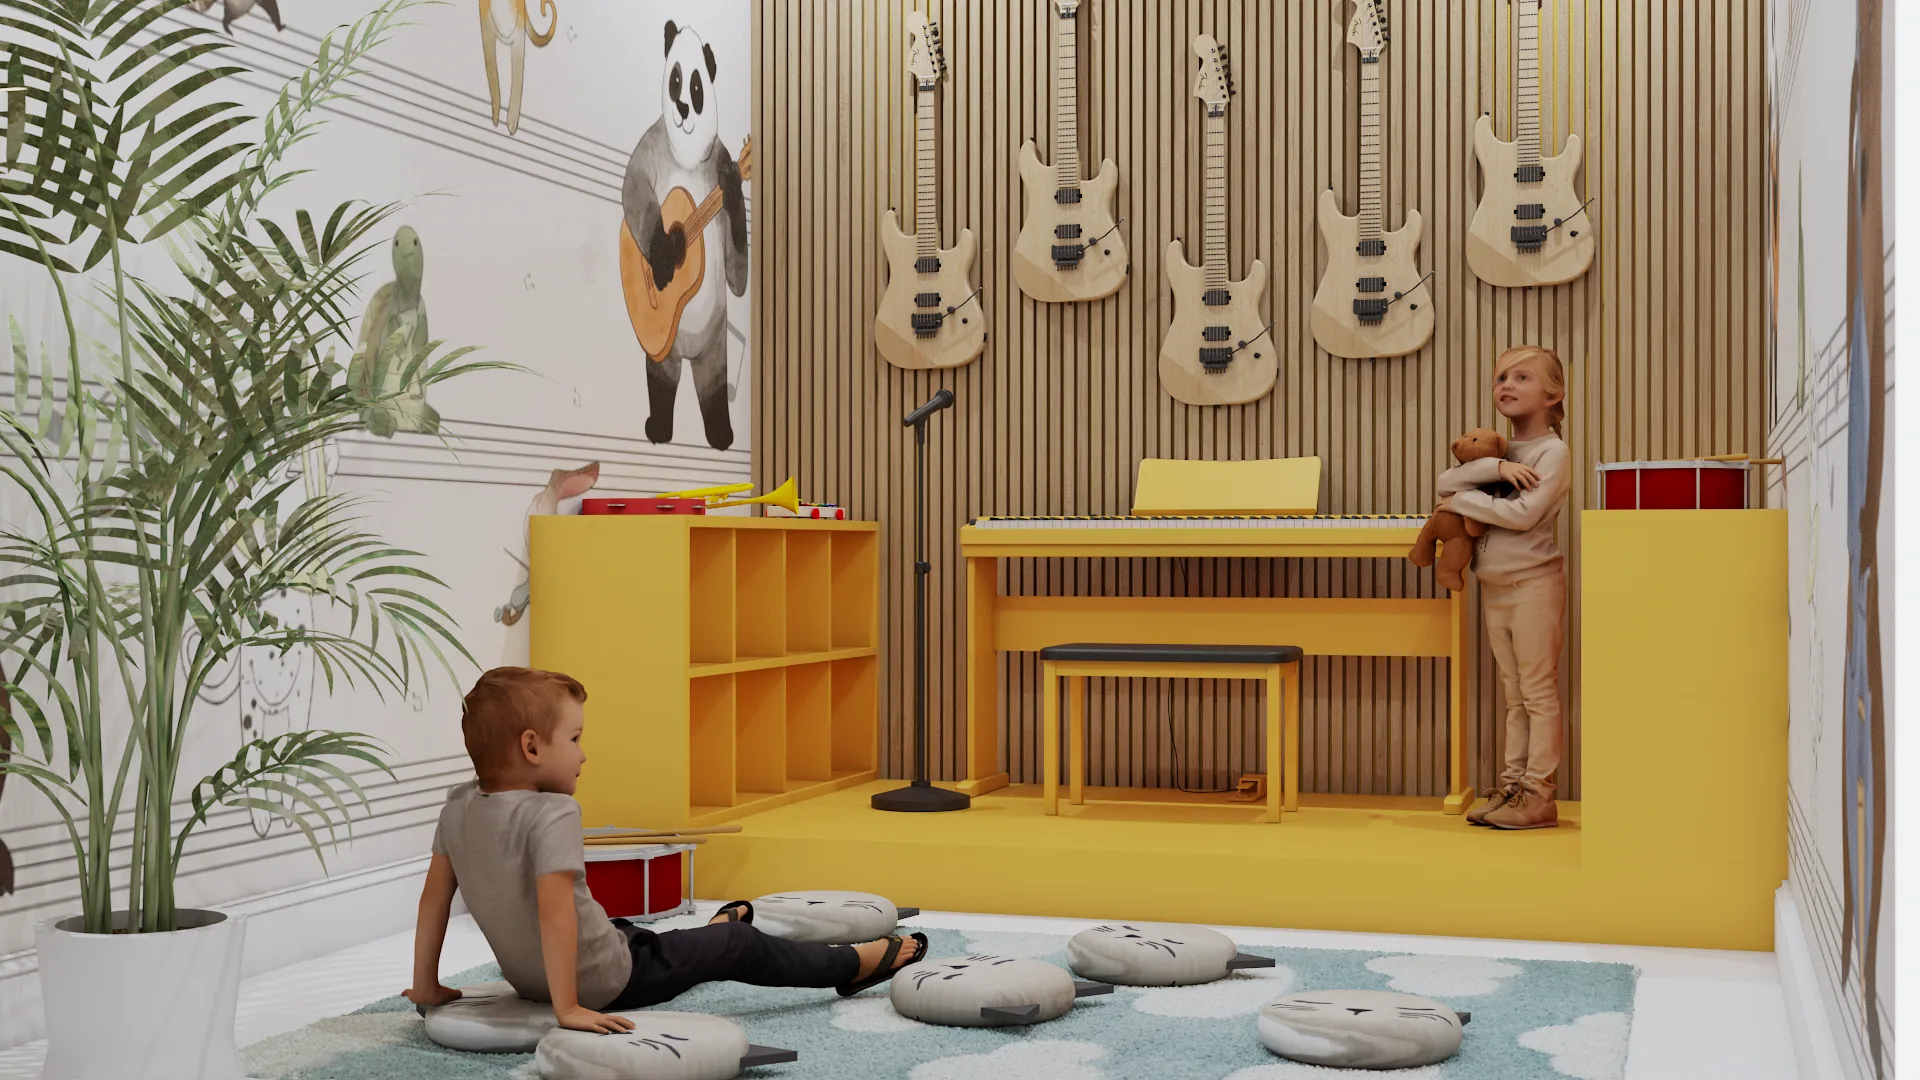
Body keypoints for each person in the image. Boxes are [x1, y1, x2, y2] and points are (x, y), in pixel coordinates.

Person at [402, 667, 926, 1031]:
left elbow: (434, 901)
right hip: (605, 982)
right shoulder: (552, 813)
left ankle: (706, 933)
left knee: (630, 933)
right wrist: (569, 1008)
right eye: (576, 739)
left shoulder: (458, 807)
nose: (584, 754)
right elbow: (555, 912)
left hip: (544, 971)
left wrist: (426, 983)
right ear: (532, 746)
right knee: (737, 947)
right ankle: (853, 965)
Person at [1436, 345, 1572, 831]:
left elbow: (1524, 514)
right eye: (1500, 378)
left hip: (1534, 585)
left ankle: (1540, 794)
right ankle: (1512, 786)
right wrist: (1492, 471)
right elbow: (1444, 480)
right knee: (1513, 695)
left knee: (1538, 692)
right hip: (1495, 588)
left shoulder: (1552, 452)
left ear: (1553, 393)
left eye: (1521, 378)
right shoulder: (1498, 451)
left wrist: (1466, 502)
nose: (1506, 386)